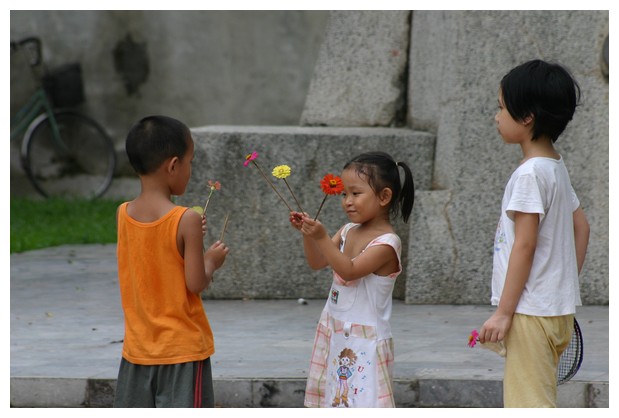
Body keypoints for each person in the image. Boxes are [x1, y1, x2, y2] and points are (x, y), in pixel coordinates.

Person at [478, 60, 590, 407]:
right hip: (556, 312)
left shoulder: (528, 175)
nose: (496, 116)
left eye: (501, 107)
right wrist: (560, 285)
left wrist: (504, 313)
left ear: (526, 117)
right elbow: (582, 227)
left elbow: (524, 245)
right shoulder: (556, 166)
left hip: (530, 313)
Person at [113, 115, 229, 407]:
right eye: (190, 162)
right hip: (182, 352)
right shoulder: (186, 218)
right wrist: (212, 260)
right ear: (173, 165)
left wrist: (186, 234)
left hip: (138, 350)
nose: (190, 170)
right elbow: (196, 282)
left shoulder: (123, 213)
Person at [289, 151, 415, 408]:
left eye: (356, 193)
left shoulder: (388, 244)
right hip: (336, 331)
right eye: (344, 194)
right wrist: (308, 234)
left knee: (362, 400)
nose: (347, 201)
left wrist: (322, 237)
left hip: (365, 340)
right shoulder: (348, 230)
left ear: (384, 196)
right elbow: (317, 262)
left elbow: (348, 270)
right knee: (335, 397)